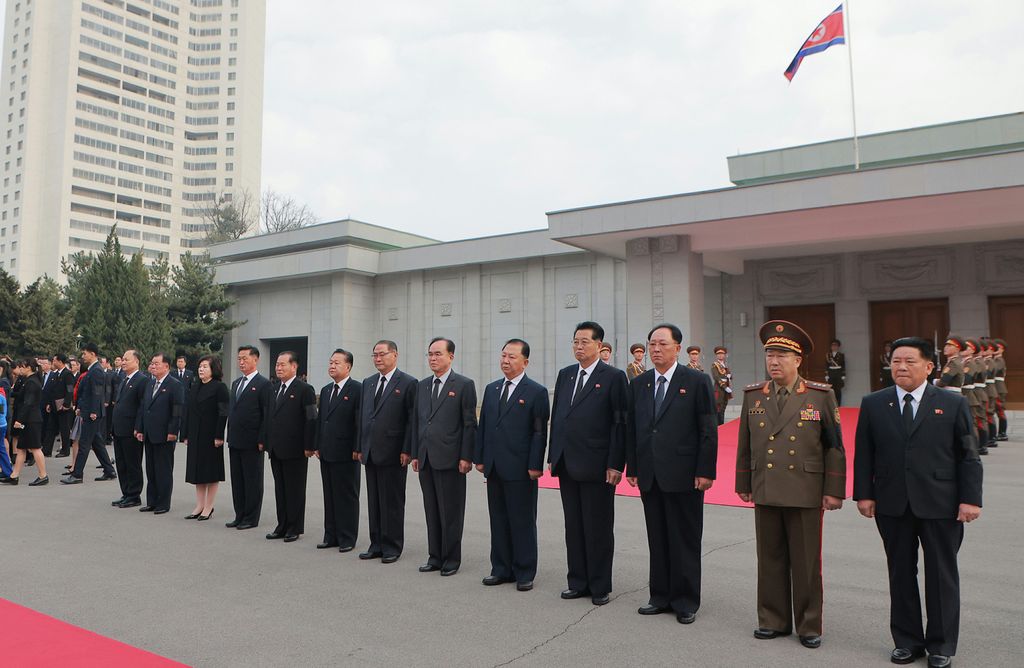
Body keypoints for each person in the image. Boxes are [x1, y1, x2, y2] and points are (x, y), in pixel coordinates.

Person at [854, 337, 982, 668]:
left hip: (942, 502)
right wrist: (864, 494)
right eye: (896, 360)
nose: (901, 367)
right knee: (900, 572)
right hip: (892, 502)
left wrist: (970, 499)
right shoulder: (874, 403)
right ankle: (907, 641)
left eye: (910, 361)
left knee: (941, 574)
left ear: (928, 366)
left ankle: (941, 645)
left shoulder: (952, 403)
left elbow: (968, 455)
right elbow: (865, 454)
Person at [735, 320, 845, 649]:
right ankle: (773, 619)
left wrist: (833, 490)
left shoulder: (819, 395)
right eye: (770, 354)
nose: (774, 361)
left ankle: (809, 625)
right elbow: (744, 443)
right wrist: (744, 482)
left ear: (797, 360)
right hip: (767, 486)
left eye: (782, 355)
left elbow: (834, 446)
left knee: (806, 561)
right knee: (769, 559)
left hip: (805, 490)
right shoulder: (754, 395)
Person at [626, 323, 718, 624]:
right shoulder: (640, 384)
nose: (655, 350)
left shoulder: (696, 380)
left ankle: (686, 600)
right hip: (650, 473)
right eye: (652, 344)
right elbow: (635, 429)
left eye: (662, 344)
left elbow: (708, 429)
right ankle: (660, 595)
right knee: (658, 537)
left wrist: (705, 471)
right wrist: (634, 467)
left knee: (685, 538)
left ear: (677, 348)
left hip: (685, 473)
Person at [549, 321, 627, 606]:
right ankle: (577, 581)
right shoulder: (566, 375)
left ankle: (599, 585)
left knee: (598, 527)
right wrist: (552, 455)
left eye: (584, 342)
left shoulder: (613, 377)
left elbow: (620, 423)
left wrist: (616, 463)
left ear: (599, 345)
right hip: (567, 462)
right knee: (574, 526)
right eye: (575, 341)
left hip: (598, 465)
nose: (578, 347)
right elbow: (558, 417)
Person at [474, 338, 550, 591]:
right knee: (498, 519)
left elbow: (539, 433)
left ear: (525, 362)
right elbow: (483, 425)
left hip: (521, 468)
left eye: (512, 357)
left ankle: (524, 570)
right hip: (494, 465)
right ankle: (501, 568)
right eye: (503, 356)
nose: (505, 361)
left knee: (522, 520)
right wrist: (481, 457)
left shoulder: (536, 392)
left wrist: (535, 465)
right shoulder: (492, 389)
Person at [411, 337, 478, 577]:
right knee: (432, 509)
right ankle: (435, 556)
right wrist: (416, 453)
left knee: (451, 511)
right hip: (426, 457)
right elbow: (417, 422)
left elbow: (469, 424)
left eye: (438, 354)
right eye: (430, 354)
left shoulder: (463, 385)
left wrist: (466, 456)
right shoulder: (422, 385)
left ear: (451, 356)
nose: (433, 358)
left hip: (451, 458)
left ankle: (451, 558)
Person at [357, 340, 417, 563]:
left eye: (382, 354)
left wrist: (407, 449)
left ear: (395, 355)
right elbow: (363, 417)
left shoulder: (408, 383)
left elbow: (411, 420)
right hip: (371, 450)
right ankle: (376, 543)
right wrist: (361, 446)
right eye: (374, 355)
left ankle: (392, 546)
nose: (378, 359)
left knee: (391, 501)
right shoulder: (369, 382)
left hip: (394, 452)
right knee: (374, 500)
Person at [261, 351, 317, 542]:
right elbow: (269, 417)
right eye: (277, 364)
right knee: (280, 489)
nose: (278, 367)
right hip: (276, 448)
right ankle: (282, 525)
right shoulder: (274, 388)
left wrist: (309, 445)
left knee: (295, 489)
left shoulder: (305, 389)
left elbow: (311, 419)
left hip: (296, 449)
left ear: (294, 366)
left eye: (283, 364)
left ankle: (294, 527)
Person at [313, 349, 362, 552]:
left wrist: (357, 448)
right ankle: (330, 535)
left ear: (348, 366)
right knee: (330, 494)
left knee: (347, 496)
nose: (332, 366)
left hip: (347, 452)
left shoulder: (357, 389)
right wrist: (317, 444)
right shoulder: (325, 390)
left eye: (337, 363)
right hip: (327, 450)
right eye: (330, 362)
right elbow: (320, 420)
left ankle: (347, 537)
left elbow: (359, 422)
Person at [226, 345, 270, 530]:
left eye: (245, 358)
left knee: (252, 480)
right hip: (235, 439)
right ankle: (240, 514)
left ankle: (251, 517)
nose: (241, 362)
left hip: (252, 441)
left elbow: (266, 414)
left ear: (256, 359)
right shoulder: (236, 383)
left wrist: (262, 439)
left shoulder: (263, 384)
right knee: (237, 480)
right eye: (239, 359)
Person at [135, 353, 185, 514]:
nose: (153, 366)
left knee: (163, 469)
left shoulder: (174, 385)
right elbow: (143, 408)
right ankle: (152, 501)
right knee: (150, 468)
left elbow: (177, 411)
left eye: (157, 363)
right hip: (149, 433)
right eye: (152, 363)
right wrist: (140, 428)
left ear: (166, 366)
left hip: (165, 434)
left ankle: (163, 503)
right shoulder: (150, 384)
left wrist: (173, 431)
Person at [61, 343, 116, 484]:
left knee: (84, 444)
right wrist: (80, 407)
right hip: (89, 410)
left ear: (92, 354)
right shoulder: (92, 370)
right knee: (96, 442)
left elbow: (97, 393)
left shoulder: (96, 370)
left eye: (85, 353)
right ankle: (109, 471)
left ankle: (77, 474)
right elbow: (86, 392)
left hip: (93, 413)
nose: (82, 356)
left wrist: (92, 411)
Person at [182, 355, 229, 521]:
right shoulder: (194, 386)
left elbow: (223, 413)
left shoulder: (220, 387)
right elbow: (187, 411)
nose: (201, 369)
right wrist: (185, 434)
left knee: (211, 472)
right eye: (200, 366)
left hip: (211, 435)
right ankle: (199, 505)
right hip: (195, 434)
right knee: (197, 471)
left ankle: (209, 506)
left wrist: (219, 435)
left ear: (213, 369)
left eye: (205, 367)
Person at [1, 359, 49, 485]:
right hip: (29, 419)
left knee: (35, 447)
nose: (19, 369)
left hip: (31, 420)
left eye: (22, 367)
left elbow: (28, 403)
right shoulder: (30, 381)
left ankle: (43, 475)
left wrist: (19, 420)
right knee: (21, 447)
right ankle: (14, 475)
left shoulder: (32, 382)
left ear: (28, 368)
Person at [111, 350, 148, 508]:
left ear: (136, 361)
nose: (123, 362)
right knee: (121, 463)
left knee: (132, 462)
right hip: (119, 428)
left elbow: (142, 406)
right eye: (123, 359)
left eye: (127, 359)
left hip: (131, 429)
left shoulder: (142, 380)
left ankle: (134, 495)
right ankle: (126, 492)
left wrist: (138, 427)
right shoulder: (123, 379)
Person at [47, 354, 75, 458]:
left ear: (60, 361)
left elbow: (70, 390)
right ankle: (47, 449)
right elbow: (52, 390)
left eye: (54, 360)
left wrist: (66, 404)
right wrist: (49, 403)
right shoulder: (55, 374)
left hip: (63, 407)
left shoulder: (67, 374)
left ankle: (65, 450)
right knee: (50, 428)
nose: (53, 362)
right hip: (54, 405)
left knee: (64, 429)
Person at [711, 346, 732, 425]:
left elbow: (728, 374)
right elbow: (716, 377)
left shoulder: (724, 365)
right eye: (718, 354)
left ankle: (722, 426)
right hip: (719, 389)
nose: (720, 355)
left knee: (723, 408)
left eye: (722, 354)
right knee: (718, 409)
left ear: (725, 355)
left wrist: (729, 375)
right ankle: (718, 427)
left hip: (725, 390)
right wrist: (725, 387)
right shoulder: (715, 365)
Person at [993, 339, 1009, 441]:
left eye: (998, 348)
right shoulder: (994, 360)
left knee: (1000, 410)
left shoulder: (999, 361)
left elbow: (993, 370)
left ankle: (1002, 432)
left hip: (999, 388)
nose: (995, 349)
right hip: (995, 387)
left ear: (1002, 350)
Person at [825, 339, 846, 405]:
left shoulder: (841, 355)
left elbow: (843, 365)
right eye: (833, 346)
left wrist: (843, 375)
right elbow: (826, 365)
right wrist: (826, 375)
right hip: (831, 372)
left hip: (838, 372)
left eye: (836, 346)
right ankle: (831, 405)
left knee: (838, 390)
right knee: (831, 390)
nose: (834, 347)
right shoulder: (828, 355)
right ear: (831, 347)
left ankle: (838, 405)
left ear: (838, 347)